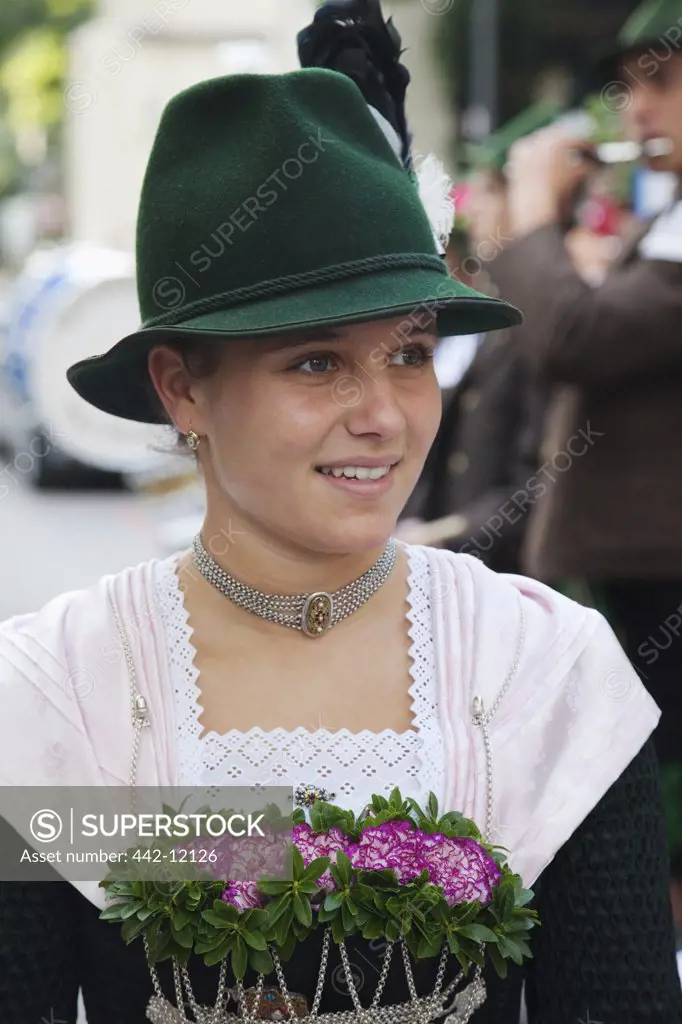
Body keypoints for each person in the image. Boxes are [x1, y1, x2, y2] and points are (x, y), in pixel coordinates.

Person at [0, 27, 681, 1024]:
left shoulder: (542, 668)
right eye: (316, 362)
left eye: (408, 354)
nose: (383, 414)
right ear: (182, 386)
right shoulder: (62, 690)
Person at [492, 0, 682, 920]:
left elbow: (576, 336)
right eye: (634, 80)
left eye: (664, 78)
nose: (637, 107)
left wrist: (532, 217)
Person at [397, 105, 558, 572]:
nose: (476, 207)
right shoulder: (449, 333)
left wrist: (441, 534)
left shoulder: (534, 328)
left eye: (490, 190)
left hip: (500, 571)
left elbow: (536, 481)